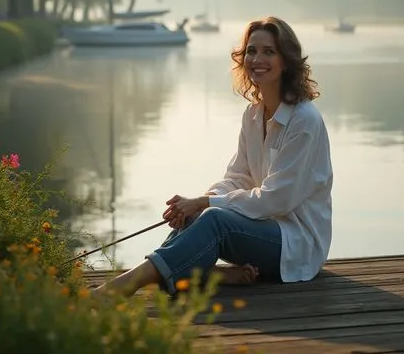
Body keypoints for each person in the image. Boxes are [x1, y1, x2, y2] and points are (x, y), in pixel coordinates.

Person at [93, 16, 333, 298]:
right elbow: (238, 178)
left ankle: (126, 285)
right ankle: (205, 274)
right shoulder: (254, 114)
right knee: (201, 216)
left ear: (287, 60)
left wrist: (205, 202)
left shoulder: (304, 120)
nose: (257, 58)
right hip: (261, 228)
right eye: (251, 51)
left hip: (296, 244)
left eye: (269, 51)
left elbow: (275, 199)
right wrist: (198, 203)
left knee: (215, 218)